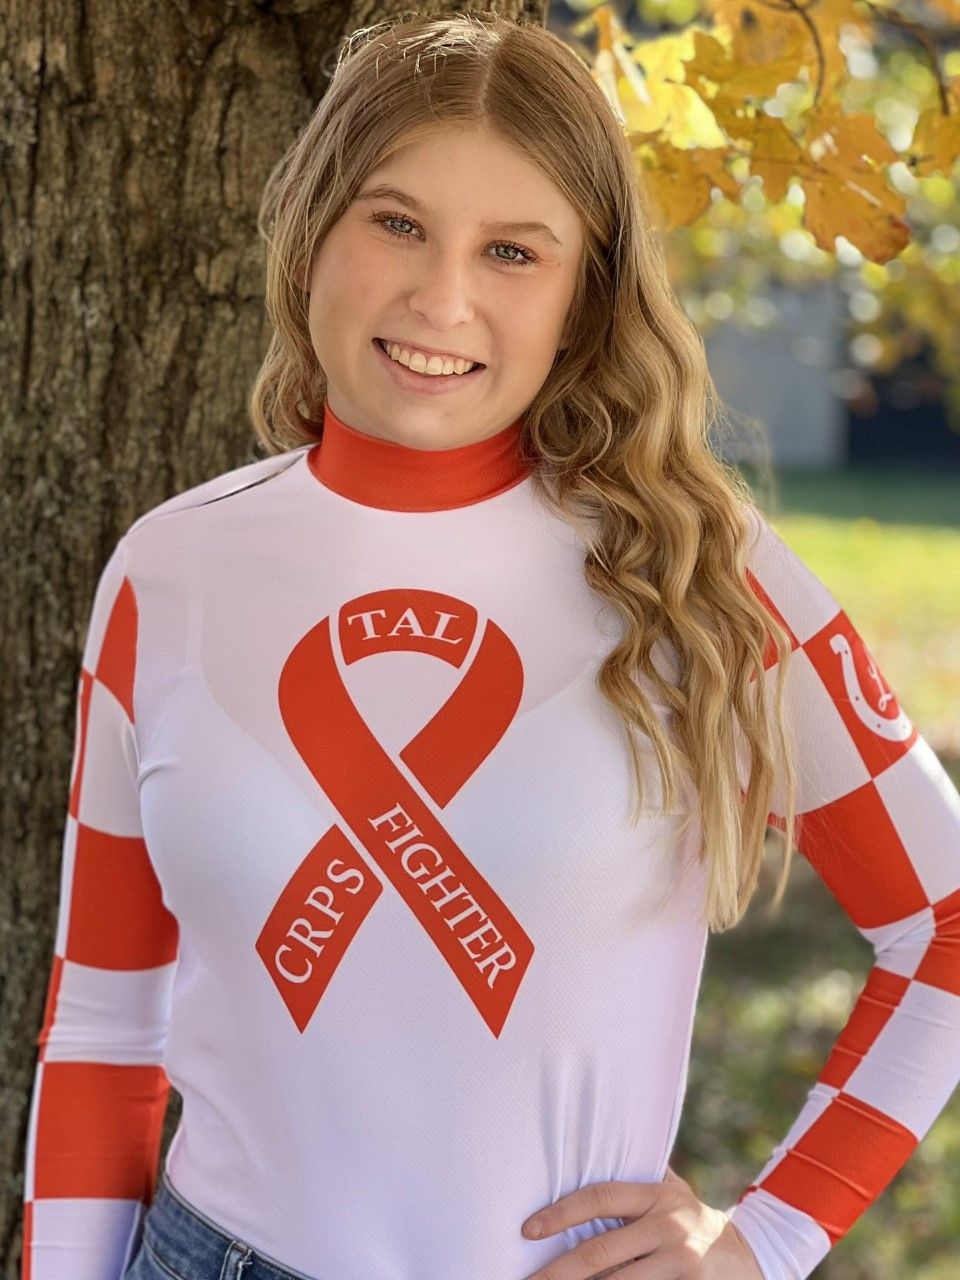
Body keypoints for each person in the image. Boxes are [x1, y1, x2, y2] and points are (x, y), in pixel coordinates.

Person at [21, 11, 960, 1280]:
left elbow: (947, 919)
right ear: (313, 230)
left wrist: (768, 1241)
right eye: (396, 221)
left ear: (584, 296)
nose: (441, 297)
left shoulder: (698, 569)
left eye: (513, 250)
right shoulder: (169, 569)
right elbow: (103, 1021)